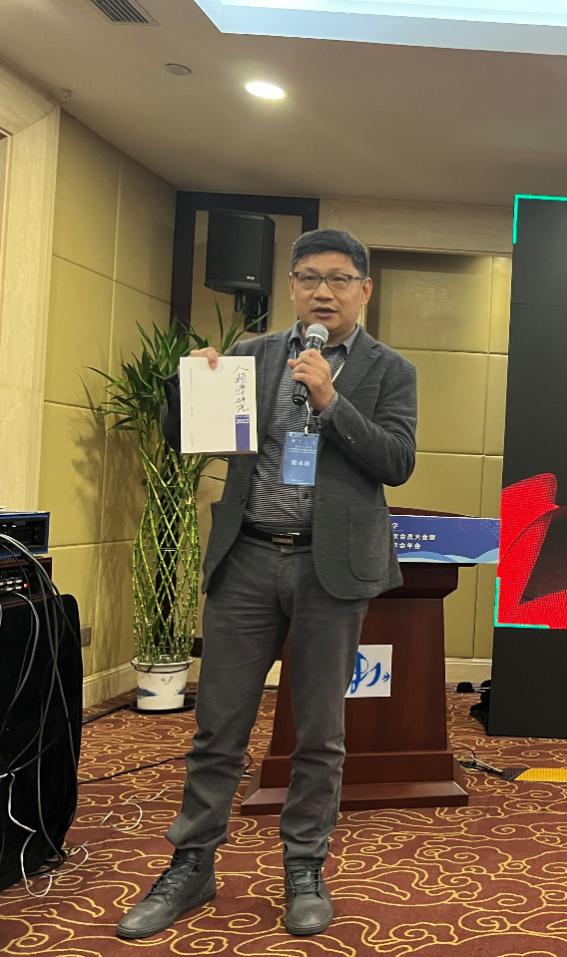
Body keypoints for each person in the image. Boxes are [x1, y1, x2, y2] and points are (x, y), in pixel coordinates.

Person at [117, 228, 418, 939]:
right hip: (248, 558)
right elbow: (190, 437)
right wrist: (189, 387)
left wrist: (332, 400)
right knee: (218, 727)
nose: (323, 292)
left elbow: (397, 461)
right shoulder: (252, 356)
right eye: (309, 277)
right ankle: (191, 865)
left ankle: (304, 867)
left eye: (339, 279)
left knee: (319, 732)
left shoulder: (390, 369)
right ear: (290, 286)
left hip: (328, 568)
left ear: (364, 290)